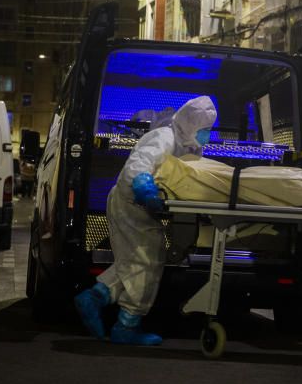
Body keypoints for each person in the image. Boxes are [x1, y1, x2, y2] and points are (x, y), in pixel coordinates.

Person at [74, 96, 217, 345]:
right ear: (190, 124)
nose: (206, 134)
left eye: (208, 130)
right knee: (146, 260)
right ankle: (126, 325)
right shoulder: (165, 137)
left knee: (136, 260)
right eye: (203, 129)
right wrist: (144, 185)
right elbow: (138, 164)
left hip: (142, 207)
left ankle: (96, 297)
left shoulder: (190, 145)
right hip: (131, 202)